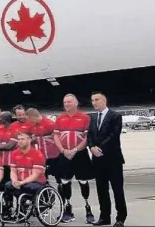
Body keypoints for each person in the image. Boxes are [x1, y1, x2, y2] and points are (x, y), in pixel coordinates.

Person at [54, 94, 94, 223]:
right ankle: (68, 208)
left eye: (69, 102)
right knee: (65, 181)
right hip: (64, 154)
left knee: (83, 181)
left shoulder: (85, 118)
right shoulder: (59, 118)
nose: (67, 104)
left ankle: (88, 209)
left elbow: (87, 138)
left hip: (80, 155)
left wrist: (75, 150)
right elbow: (56, 137)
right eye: (65, 102)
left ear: (76, 103)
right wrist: (63, 150)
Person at [88, 92, 126, 227]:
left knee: (117, 191)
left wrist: (99, 148)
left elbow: (114, 135)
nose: (94, 102)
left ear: (104, 100)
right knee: (102, 191)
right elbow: (90, 136)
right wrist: (91, 147)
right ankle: (105, 217)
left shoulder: (115, 116)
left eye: (97, 100)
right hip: (98, 161)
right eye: (92, 100)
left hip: (113, 160)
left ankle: (120, 218)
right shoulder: (92, 117)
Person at [5, 132, 47, 207]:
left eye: (23, 139)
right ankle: (16, 206)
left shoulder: (37, 154)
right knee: (8, 185)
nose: (20, 141)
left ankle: (26, 202)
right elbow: (13, 171)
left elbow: (35, 175)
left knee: (27, 187)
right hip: (20, 181)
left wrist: (22, 183)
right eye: (19, 139)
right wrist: (15, 181)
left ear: (29, 140)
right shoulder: (14, 153)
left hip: (36, 182)